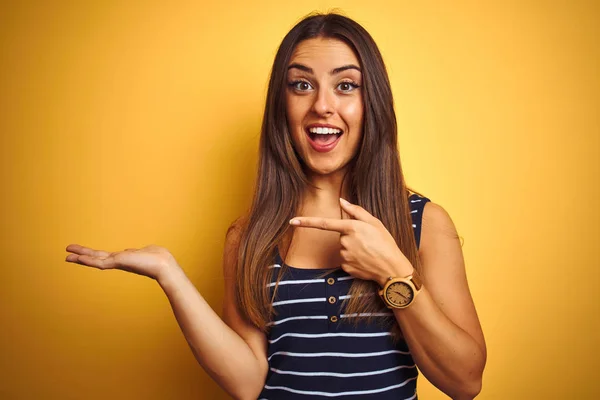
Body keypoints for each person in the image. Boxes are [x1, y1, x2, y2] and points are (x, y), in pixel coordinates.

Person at [65, 12, 486, 400]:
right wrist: (170, 276)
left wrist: (394, 273)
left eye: (345, 85)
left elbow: (464, 382)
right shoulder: (249, 237)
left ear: (370, 103)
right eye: (302, 84)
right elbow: (248, 383)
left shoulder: (423, 223)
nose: (322, 104)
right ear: (281, 106)